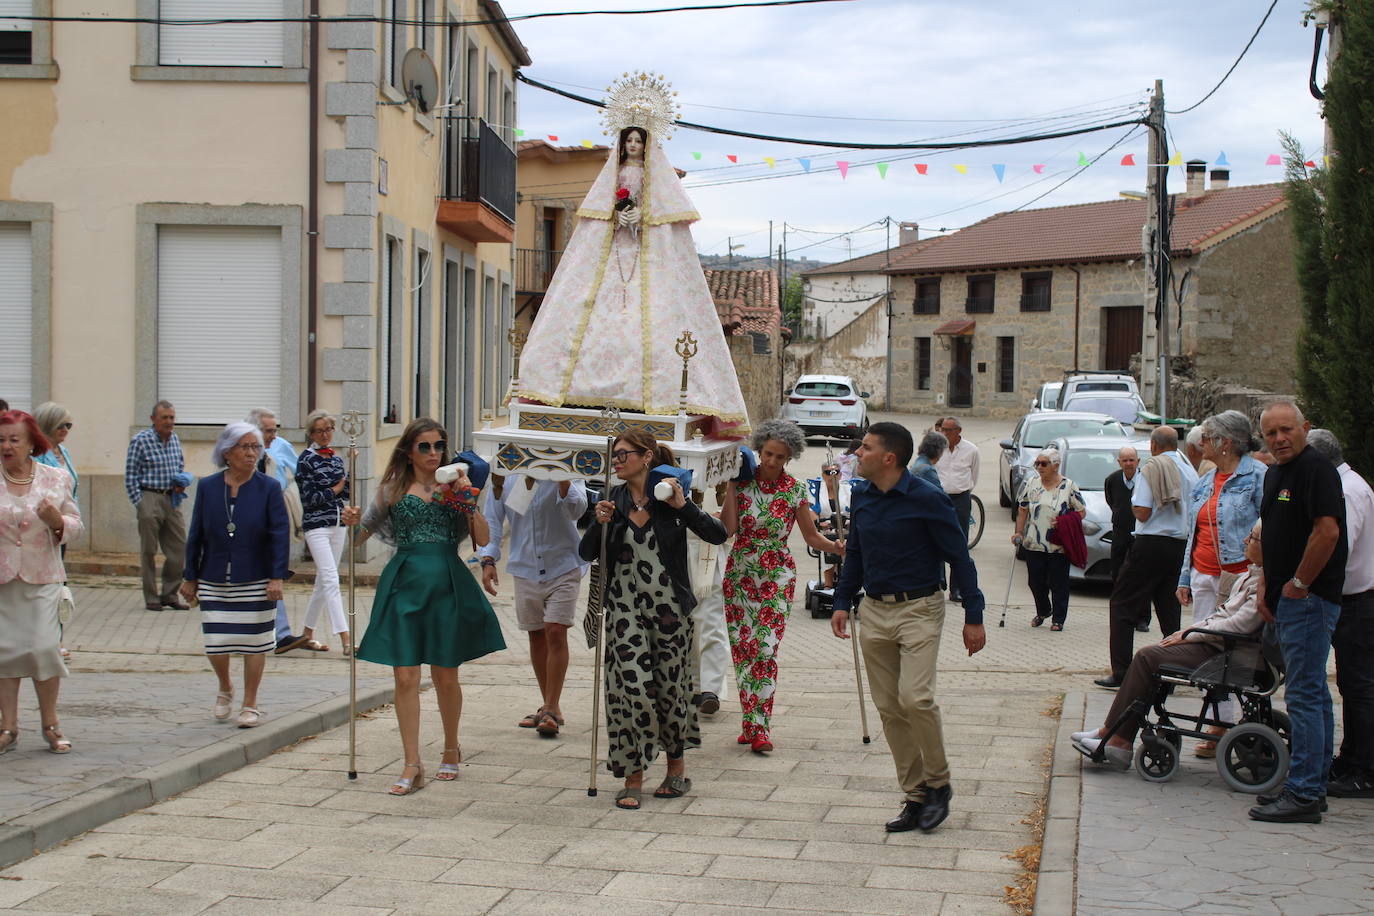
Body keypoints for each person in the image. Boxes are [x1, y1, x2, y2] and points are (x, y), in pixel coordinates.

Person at [509, 98, 749, 436]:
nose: (633, 145)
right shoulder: (612, 177)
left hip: (651, 258)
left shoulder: (659, 180)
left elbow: (664, 216)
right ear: (622, 143)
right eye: (629, 140)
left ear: (647, 144)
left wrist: (643, 217)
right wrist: (616, 216)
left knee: (659, 321)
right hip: (612, 253)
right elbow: (599, 213)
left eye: (639, 140)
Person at [831, 421, 986, 834]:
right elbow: (856, 552)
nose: (857, 453)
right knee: (890, 708)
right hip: (874, 610)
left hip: (920, 608)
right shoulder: (863, 495)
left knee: (915, 698)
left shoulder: (928, 498)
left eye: (865, 448)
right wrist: (842, 601)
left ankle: (939, 783)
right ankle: (916, 795)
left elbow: (960, 557)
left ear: (889, 458)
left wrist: (974, 615)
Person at [354, 419, 504, 795]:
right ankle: (412, 762)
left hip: (446, 581)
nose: (434, 452)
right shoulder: (392, 489)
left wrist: (469, 502)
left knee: (445, 675)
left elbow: (483, 538)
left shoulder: (455, 485)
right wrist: (350, 523)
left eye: (439, 445)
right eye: (425, 446)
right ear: (409, 451)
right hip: (404, 582)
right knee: (405, 676)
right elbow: (359, 537)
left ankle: (451, 747)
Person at [583, 429, 728, 810]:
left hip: (669, 611)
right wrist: (598, 523)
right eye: (614, 456)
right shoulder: (611, 499)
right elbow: (586, 552)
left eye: (623, 454)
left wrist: (684, 506)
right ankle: (633, 776)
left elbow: (717, 534)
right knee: (630, 689)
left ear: (646, 456)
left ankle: (676, 770)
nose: (616, 461)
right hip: (624, 609)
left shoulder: (669, 496)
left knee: (669, 690)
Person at [1073, 520, 1265, 768]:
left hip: (1229, 653)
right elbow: (1221, 617)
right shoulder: (1251, 575)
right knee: (1154, 653)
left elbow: (1239, 625)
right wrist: (1188, 632)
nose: (1246, 540)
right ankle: (1109, 732)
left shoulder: (1262, 583)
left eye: (1253, 537)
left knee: (1147, 657)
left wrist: (1191, 634)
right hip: (1220, 646)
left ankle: (1118, 740)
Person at [720, 419, 844, 753]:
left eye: (780, 456)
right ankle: (750, 722)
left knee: (764, 648)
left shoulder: (795, 489)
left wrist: (838, 548)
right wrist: (731, 486)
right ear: (759, 451)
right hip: (740, 575)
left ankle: (761, 728)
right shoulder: (741, 484)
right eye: (768, 454)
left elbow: (811, 537)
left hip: (777, 576)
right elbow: (727, 530)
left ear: (789, 457)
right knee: (743, 651)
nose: (772, 461)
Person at [1250, 402, 1346, 823]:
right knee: (1314, 694)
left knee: (1304, 695)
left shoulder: (1316, 470)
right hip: (1287, 600)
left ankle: (1304, 793)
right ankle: (1313, 785)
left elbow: (1327, 532)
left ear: (1305, 427)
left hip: (1309, 600)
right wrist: (1265, 585)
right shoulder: (1276, 473)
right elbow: (1274, 535)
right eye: (1271, 433)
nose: (1279, 439)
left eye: (1286, 430)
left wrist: (1299, 583)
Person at [180, 423, 291, 729]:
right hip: (214, 575)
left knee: (255, 642)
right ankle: (225, 686)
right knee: (216, 641)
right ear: (227, 452)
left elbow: (279, 534)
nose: (252, 453)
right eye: (245, 447)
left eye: (256, 447)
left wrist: (277, 576)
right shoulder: (208, 486)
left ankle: (250, 703)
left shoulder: (269, 487)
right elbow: (196, 533)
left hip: (256, 576)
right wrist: (190, 576)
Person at [1174, 411, 1266, 755]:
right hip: (1204, 574)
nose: (1201, 442)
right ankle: (1220, 721)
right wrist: (1186, 576)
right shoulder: (1205, 481)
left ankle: (1247, 722)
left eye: (1207, 436)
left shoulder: (1257, 477)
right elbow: (1193, 533)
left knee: (1237, 654)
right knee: (1206, 650)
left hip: (1239, 578)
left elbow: (1269, 530)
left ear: (1224, 442)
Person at [479, 472, 588, 738]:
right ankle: (551, 706)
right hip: (524, 566)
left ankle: (549, 708)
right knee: (536, 633)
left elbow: (577, 509)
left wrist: (563, 479)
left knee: (556, 630)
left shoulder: (568, 468)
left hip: (564, 564)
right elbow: (493, 518)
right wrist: (489, 559)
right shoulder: (506, 472)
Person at [0, 410, 83, 755]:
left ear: (32, 442)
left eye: (13, 439)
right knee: (4, 652)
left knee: (44, 648)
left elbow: (76, 525)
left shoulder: (56, 477)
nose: (6, 446)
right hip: (4, 579)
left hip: (43, 576)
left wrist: (57, 521)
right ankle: (8, 726)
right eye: (1, 440)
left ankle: (51, 724)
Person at [1098, 426, 1198, 688]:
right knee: (1168, 608)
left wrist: (1133, 506)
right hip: (1179, 544)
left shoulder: (1151, 468)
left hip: (1151, 542)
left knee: (1122, 604)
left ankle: (1122, 672)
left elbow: (1142, 511)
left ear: (1153, 446)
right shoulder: (1189, 470)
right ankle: (1173, 673)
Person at [1304, 429, 1372, 799]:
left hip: (1358, 601)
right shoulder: (1345, 486)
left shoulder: (1348, 491)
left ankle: (1365, 770)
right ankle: (1351, 760)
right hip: (1351, 599)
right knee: (1353, 685)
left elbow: (1340, 548)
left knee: (1360, 687)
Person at [246, 408, 310, 655]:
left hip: (273, 518)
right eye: (269, 430)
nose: (273, 435)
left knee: (273, 575)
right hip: (248, 524)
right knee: (254, 579)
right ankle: (254, 632)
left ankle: (281, 634)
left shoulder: (281, 446)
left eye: (275, 430)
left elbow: (300, 474)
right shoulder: (240, 453)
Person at [295, 410, 353, 655]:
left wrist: (351, 467)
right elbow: (310, 499)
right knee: (331, 579)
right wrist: (336, 489)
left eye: (328, 429)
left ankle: (307, 633)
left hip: (338, 523)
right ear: (311, 434)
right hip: (316, 525)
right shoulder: (306, 460)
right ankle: (346, 638)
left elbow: (346, 492)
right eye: (319, 431)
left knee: (323, 581)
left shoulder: (336, 459)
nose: (325, 435)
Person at [1012, 447, 1086, 631]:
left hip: (1058, 544)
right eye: (1037, 463)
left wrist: (1064, 521)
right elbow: (1022, 509)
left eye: (1043, 464)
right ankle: (1044, 610)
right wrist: (1018, 532)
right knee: (1035, 581)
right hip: (1033, 542)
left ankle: (1058, 619)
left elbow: (1081, 512)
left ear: (1056, 465)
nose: (1039, 467)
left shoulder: (1068, 486)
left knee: (1058, 582)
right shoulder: (1032, 483)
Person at [125, 400, 189, 612]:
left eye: (172, 417)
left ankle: (170, 594)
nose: (169, 421)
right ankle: (151, 597)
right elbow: (130, 475)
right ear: (153, 419)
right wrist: (140, 503)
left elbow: (179, 464)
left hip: (172, 498)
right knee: (149, 551)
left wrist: (181, 481)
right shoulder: (140, 441)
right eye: (164, 417)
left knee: (179, 549)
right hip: (149, 496)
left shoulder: (175, 439)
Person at [1104, 445, 1148, 632]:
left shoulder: (1146, 479)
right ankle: (1122, 615)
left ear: (1138, 461)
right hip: (1120, 533)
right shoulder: (1112, 480)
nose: (1129, 463)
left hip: (1141, 533)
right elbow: (1111, 501)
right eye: (1125, 460)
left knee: (1142, 576)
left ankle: (1142, 618)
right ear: (1119, 462)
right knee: (1119, 574)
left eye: (1132, 460)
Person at [935, 416, 978, 603]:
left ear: (958, 431)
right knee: (936, 539)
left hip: (961, 498)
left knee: (959, 542)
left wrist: (963, 491)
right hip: (939, 498)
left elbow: (974, 476)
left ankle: (956, 588)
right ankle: (938, 582)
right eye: (943, 429)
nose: (944, 433)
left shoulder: (971, 450)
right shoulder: (937, 448)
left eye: (948, 430)